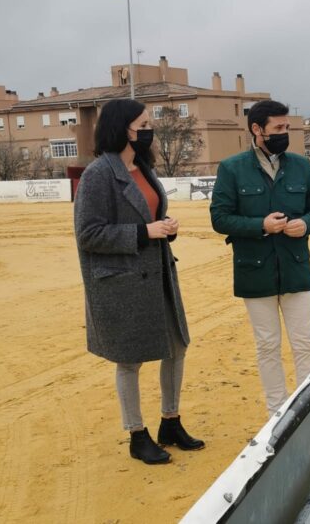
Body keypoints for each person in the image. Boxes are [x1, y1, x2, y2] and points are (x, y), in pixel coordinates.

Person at [74, 98, 204, 465]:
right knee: (129, 360)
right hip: (122, 284)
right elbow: (88, 234)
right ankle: (136, 434)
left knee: (177, 346)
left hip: (158, 273)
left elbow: (151, 216)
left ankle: (170, 421)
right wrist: (145, 231)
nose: (149, 129)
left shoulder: (143, 168)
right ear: (122, 128)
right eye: (143, 123)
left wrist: (166, 229)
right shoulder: (98, 174)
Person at [210, 100, 310, 415]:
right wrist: (260, 225)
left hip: (296, 269)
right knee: (267, 347)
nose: (284, 133)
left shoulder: (301, 166)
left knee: (305, 344)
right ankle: (276, 413)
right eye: (278, 128)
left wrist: (306, 224)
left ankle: (307, 409)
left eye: (286, 127)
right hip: (255, 271)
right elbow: (219, 219)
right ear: (257, 129)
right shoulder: (232, 168)